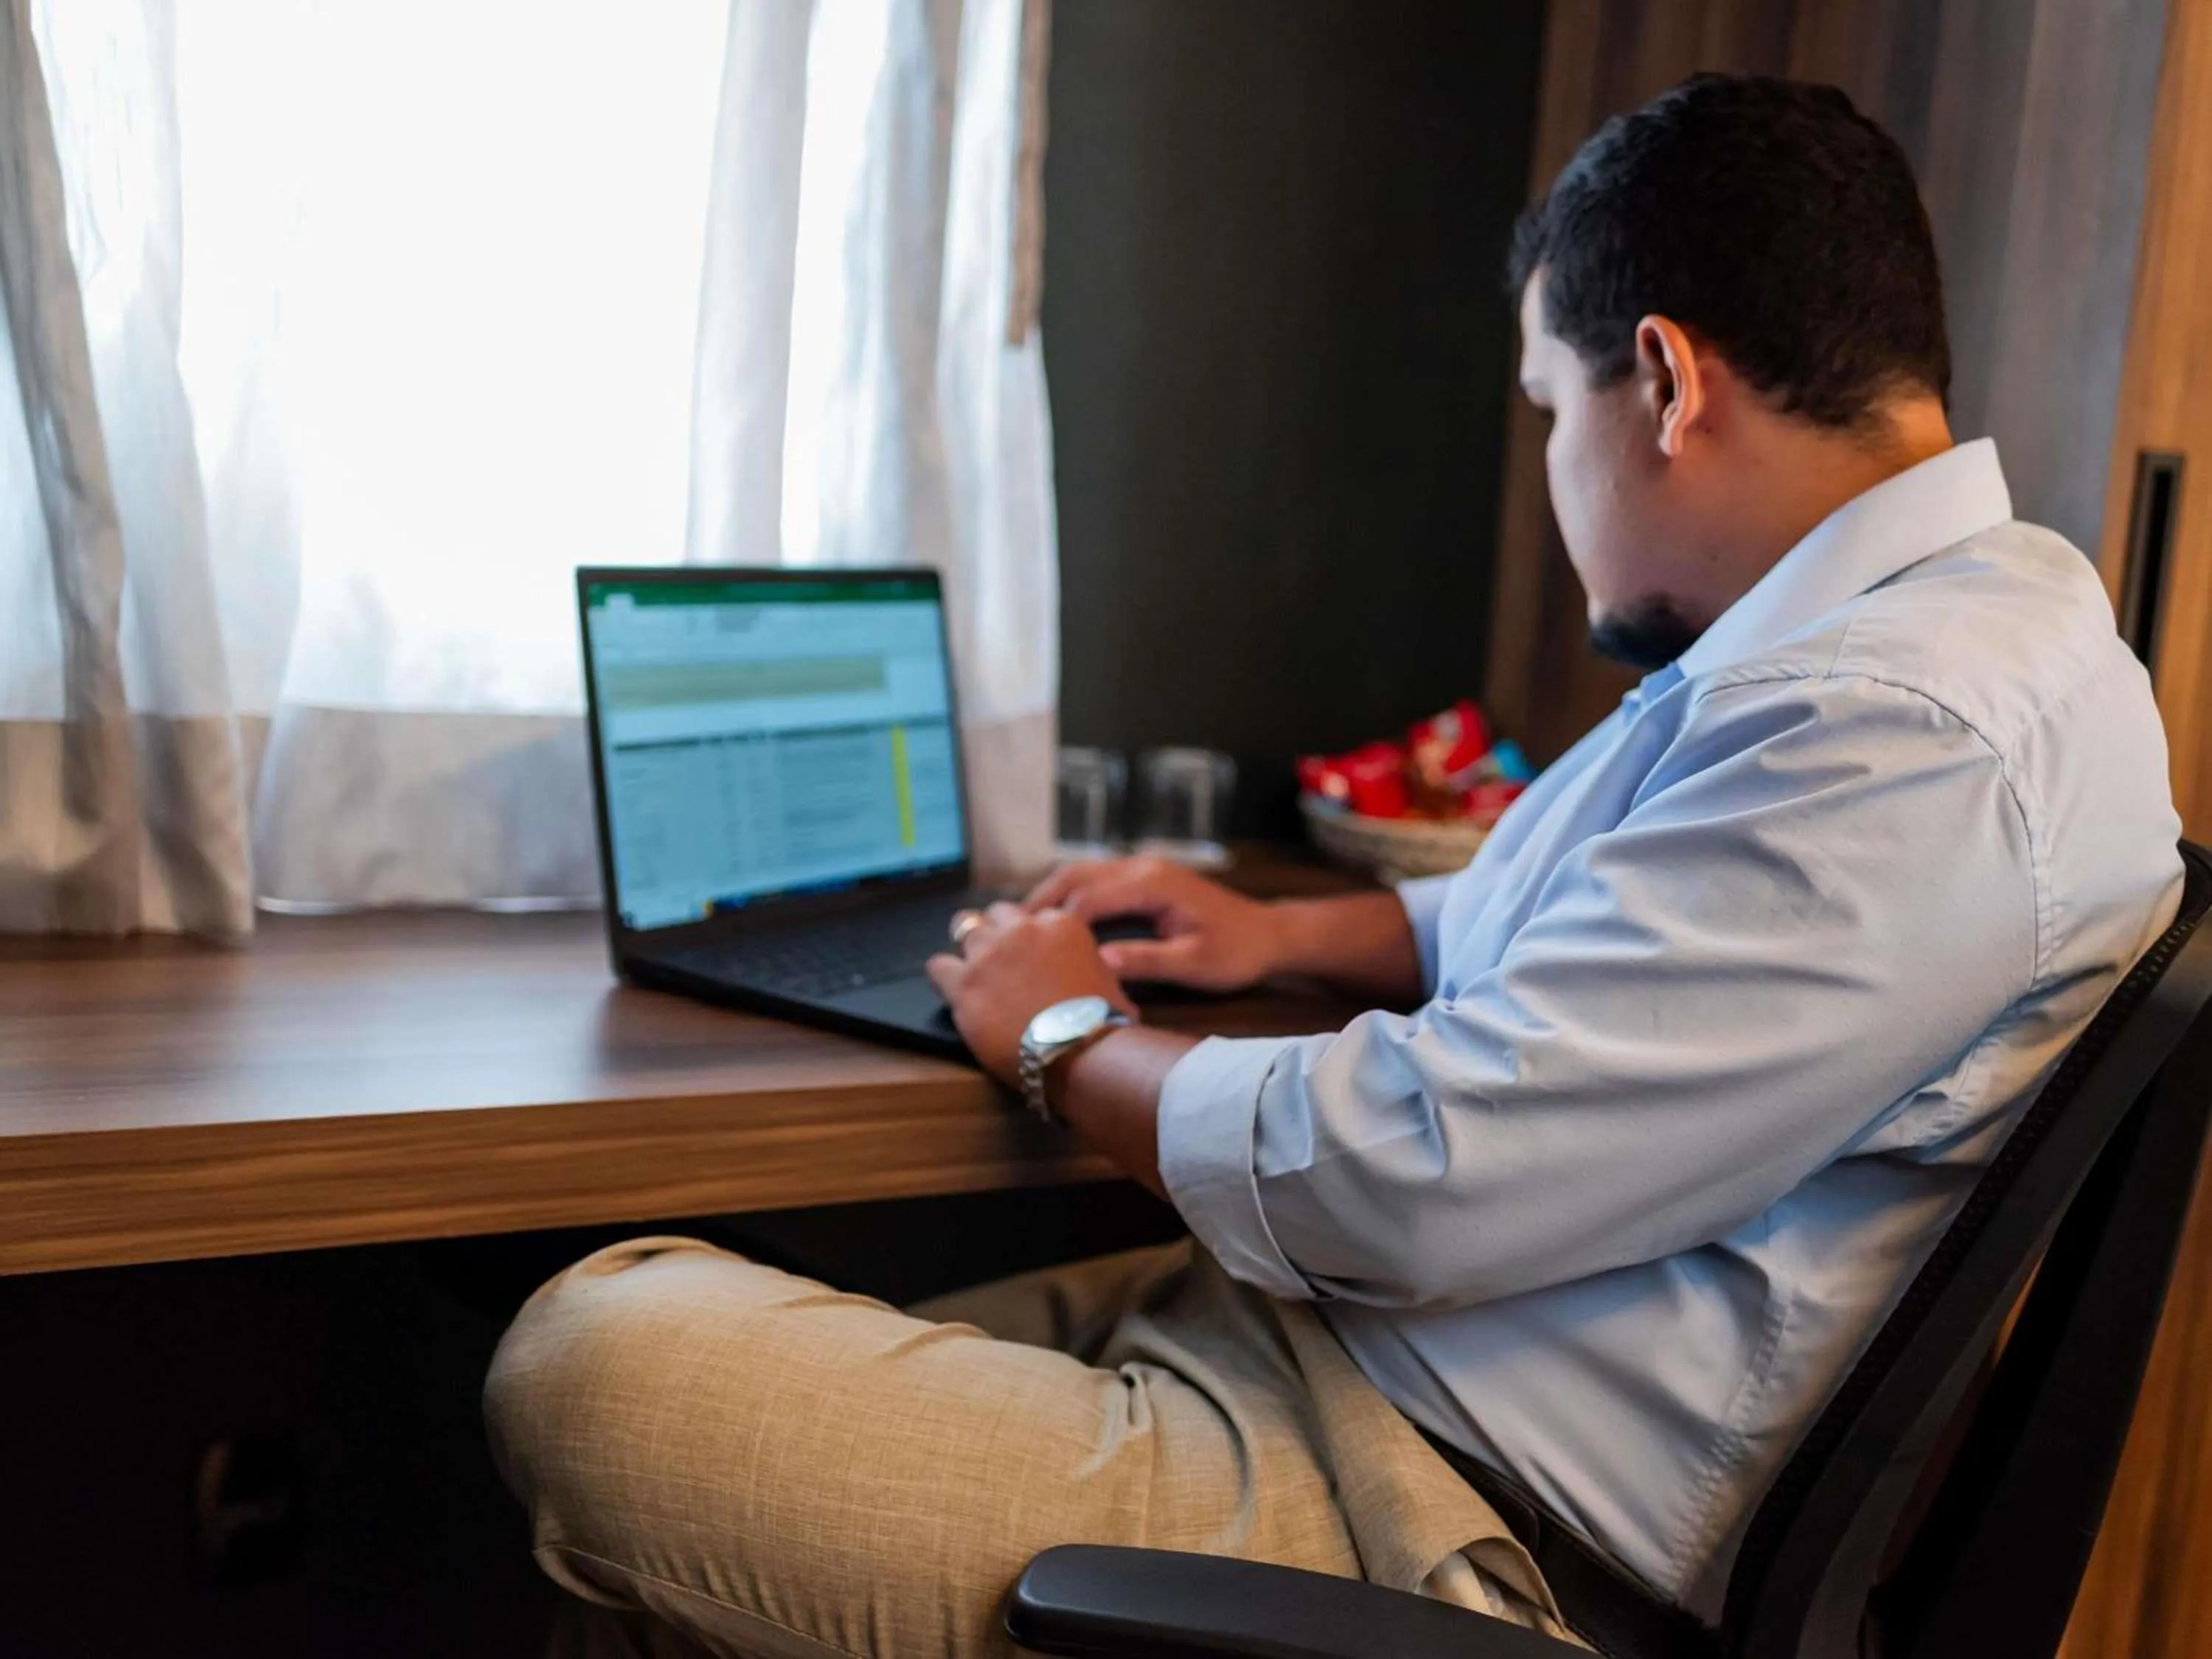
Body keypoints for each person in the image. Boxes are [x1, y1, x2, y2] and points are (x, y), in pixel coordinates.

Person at [485, 74, 2183, 1658]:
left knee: (590, 1356)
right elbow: (1641, 945)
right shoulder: (1922, 638)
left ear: (1663, 380)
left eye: (1545, 405)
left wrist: (1064, 1043)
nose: (1553, 465)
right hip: (1364, 1363)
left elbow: (1423, 1174)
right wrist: (1297, 930)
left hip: (1446, 1510)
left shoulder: (1910, 730)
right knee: (754, 1357)